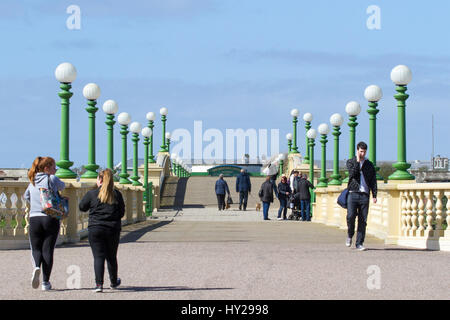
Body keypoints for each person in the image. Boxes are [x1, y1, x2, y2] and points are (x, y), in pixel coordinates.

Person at [79, 169, 125, 292]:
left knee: (98, 257)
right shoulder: (117, 195)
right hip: (112, 229)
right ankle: (114, 282)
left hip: (95, 228)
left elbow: (82, 207)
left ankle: (99, 285)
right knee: (111, 257)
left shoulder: (92, 194)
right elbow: (121, 213)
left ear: (99, 180)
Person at [24, 156, 65, 291]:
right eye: (54, 167)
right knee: (48, 250)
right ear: (46, 168)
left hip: (34, 218)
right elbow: (63, 186)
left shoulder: (32, 181)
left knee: (36, 248)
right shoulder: (51, 178)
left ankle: (36, 266)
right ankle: (45, 283)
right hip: (50, 217)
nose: (55, 169)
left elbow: (26, 196)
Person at [346, 141, 377, 251]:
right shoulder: (351, 162)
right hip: (352, 193)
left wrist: (374, 194)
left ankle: (359, 243)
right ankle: (350, 234)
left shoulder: (369, 165)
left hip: (364, 195)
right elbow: (352, 174)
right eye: (360, 151)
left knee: (363, 220)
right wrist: (358, 162)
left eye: (364, 152)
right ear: (357, 151)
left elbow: (373, 180)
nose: (362, 154)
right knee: (350, 216)